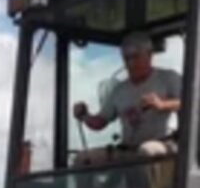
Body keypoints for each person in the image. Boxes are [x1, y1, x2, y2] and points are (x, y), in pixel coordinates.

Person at [73, 31, 182, 163]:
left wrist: (162, 105)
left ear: (149, 55)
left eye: (135, 57)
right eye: (126, 58)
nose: (130, 63)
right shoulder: (119, 90)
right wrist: (84, 115)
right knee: (82, 159)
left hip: (163, 145)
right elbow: (100, 121)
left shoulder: (168, 78)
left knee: (146, 151)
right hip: (128, 150)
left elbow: (190, 103)